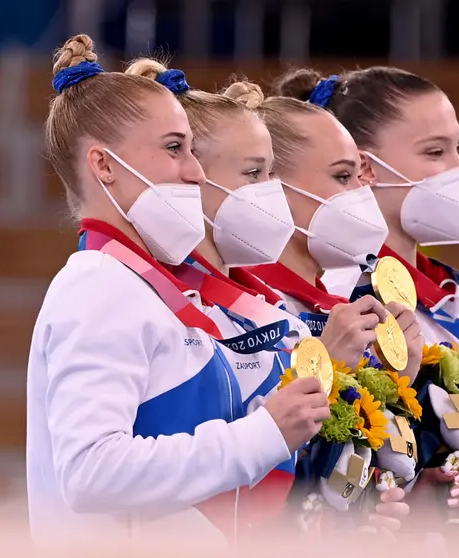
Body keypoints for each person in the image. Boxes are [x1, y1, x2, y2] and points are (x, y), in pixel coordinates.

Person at [27, 34, 330, 548]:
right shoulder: (97, 286)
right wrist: (262, 434)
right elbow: (90, 472)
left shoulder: (152, 288)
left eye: (191, 148)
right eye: (174, 149)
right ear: (103, 166)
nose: (194, 171)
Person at [121, 57, 413, 535]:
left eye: (273, 173)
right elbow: (212, 474)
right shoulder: (156, 305)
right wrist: (328, 370)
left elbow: (296, 473)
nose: (273, 192)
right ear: (193, 176)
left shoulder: (265, 312)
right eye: (256, 173)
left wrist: (348, 514)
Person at [272, 67, 459, 527]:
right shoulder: (344, 296)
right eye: (435, 152)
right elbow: (353, 477)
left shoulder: (436, 290)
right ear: (366, 168)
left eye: (457, 150)